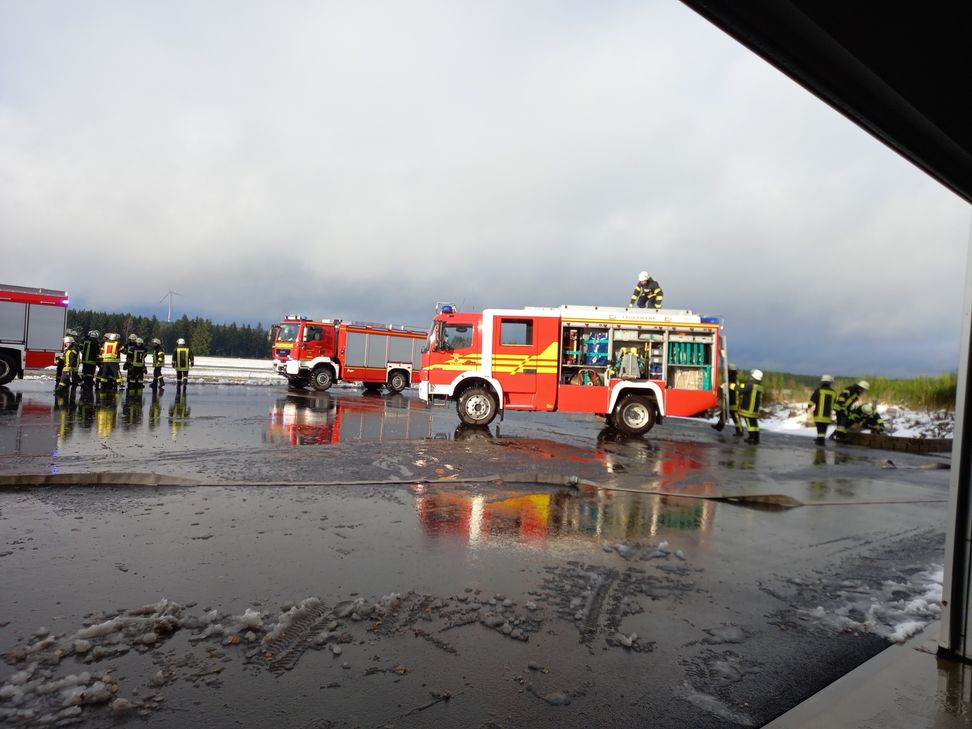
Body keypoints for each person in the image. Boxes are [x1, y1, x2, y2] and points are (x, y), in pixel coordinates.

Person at [808, 374, 837, 446]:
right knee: (824, 428)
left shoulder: (819, 390)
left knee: (820, 429)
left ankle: (821, 442)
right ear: (830, 383)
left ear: (822, 382)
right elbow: (834, 404)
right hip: (827, 415)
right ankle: (820, 439)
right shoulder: (833, 392)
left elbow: (812, 400)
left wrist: (809, 406)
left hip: (819, 414)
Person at [737, 368, 764, 444]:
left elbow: (742, 390)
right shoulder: (759, 386)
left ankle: (751, 437)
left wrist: (733, 386)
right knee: (754, 423)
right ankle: (756, 438)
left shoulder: (751, 384)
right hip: (755, 408)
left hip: (748, 408)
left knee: (749, 423)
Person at [727, 363, 743, 436]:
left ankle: (740, 431)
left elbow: (732, 386)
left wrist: (726, 386)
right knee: (726, 413)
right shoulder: (733, 376)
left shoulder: (732, 377)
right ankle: (719, 426)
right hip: (732, 397)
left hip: (734, 399)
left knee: (735, 416)